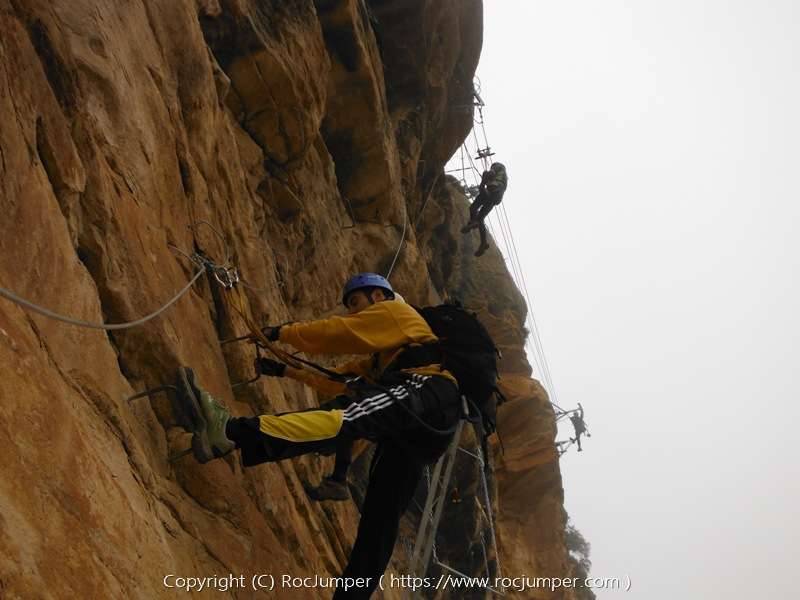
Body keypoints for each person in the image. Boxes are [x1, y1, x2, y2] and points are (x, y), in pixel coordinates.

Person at [174, 273, 462, 599]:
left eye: (355, 303)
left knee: (343, 420)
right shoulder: (388, 355)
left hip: (428, 393)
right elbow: (337, 382)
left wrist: (281, 333)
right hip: (420, 430)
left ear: (378, 296)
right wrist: (285, 370)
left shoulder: (396, 312)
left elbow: (336, 333)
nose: (354, 312)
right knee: (379, 522)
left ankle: (229, 432)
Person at [461, 162, 508, 256]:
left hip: (492, 191)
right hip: (495, 197)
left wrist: (483, 180)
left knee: (473, 208)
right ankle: (483, 243)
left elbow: (490, 174)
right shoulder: (503, 177)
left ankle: (473, 222)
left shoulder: (497, 167)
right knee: (480, 218)